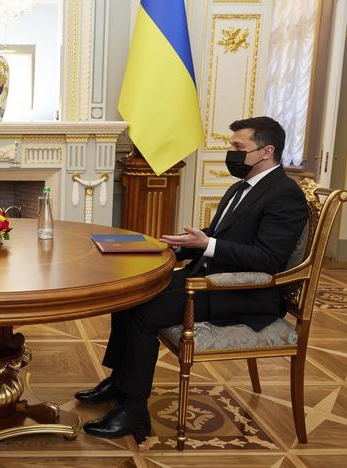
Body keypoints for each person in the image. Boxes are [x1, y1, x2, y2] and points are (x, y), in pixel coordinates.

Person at [75, 116, 308, 440]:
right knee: (129, 292)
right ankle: (119, 382)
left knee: (144, 310)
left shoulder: (284, 195)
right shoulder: (241, 187)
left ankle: (134, 411)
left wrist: (207, 244)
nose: (232, 153)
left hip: (244, 292)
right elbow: (220, 236)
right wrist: (183, 247)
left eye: (238, 147)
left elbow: (268, 259)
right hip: (211, 277)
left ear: (266, 151)